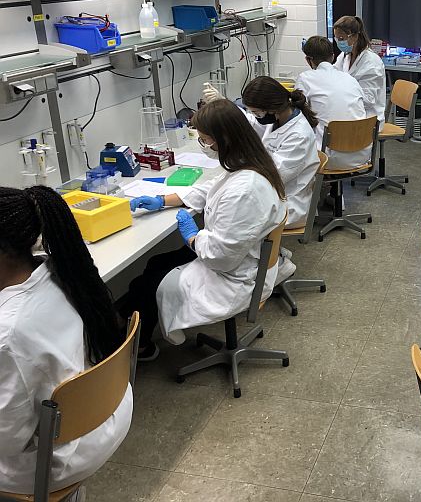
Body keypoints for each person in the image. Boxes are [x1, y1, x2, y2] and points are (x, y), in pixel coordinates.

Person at [122, 99, 287, 359]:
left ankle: (139, 346)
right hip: (239, 257)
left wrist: (192, 236)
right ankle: (137, 331)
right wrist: (163, 200)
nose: (203, 145)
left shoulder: (245, 190)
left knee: (145, 284)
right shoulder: (248, 163)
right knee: (156, 262)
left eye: (205, 139)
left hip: (234, 276)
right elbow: (211, 189)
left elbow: (220, 258)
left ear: (224, 139)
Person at [0, 186, 132, 496]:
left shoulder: (9, 333)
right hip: (109, 412)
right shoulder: (58, 270)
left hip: (54, 459)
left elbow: (7, 440)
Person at [240, 76, 320, 283]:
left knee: (238, 216)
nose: (256, 117)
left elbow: (274, 176)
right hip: (275, 193)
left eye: (258, 112)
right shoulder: (280, 119)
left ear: (272, 108)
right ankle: (274, 256)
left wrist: (243, 165)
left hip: (289, 203)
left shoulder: (298, 134)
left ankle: (278, 265)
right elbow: (254, 125)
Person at [294, 35, 370, 171]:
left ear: (308, 60)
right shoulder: (350, 79)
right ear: (333, 56)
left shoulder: (305, 78)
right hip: (362, 154)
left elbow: (298, 114)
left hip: (327, 158)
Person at [332, 16, 387, 129]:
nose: (338, 42)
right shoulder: (344, 56)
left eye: (341, 38)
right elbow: (333, 75)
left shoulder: (372, 62)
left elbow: (368, 100)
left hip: (368, 119)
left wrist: (342, 91)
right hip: (350, 111)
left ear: (355, 36)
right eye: (336, 38)